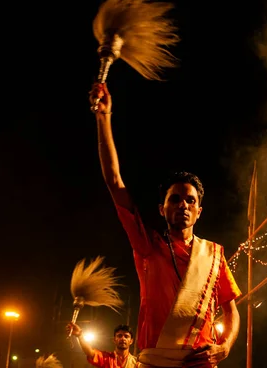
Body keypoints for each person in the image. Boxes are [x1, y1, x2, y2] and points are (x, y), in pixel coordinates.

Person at [90, 83, 241, 368]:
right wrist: (103, 118)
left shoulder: (214, 255)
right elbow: (114, 182)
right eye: (175, 199)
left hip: (200, 363)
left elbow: (230, 311)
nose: (183, 205)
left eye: (190, 200)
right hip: (154, 361)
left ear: (199, 211)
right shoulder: (147, 245)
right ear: (162, 209)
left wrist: (226, 346)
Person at [67, 323, 139, 368]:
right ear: (114, 340)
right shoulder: (105, 358)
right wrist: (80, 335)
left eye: (126, 336)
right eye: (119, 336)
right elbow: (90, 353)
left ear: (131, 341)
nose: (123, 338)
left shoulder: (137, 362)